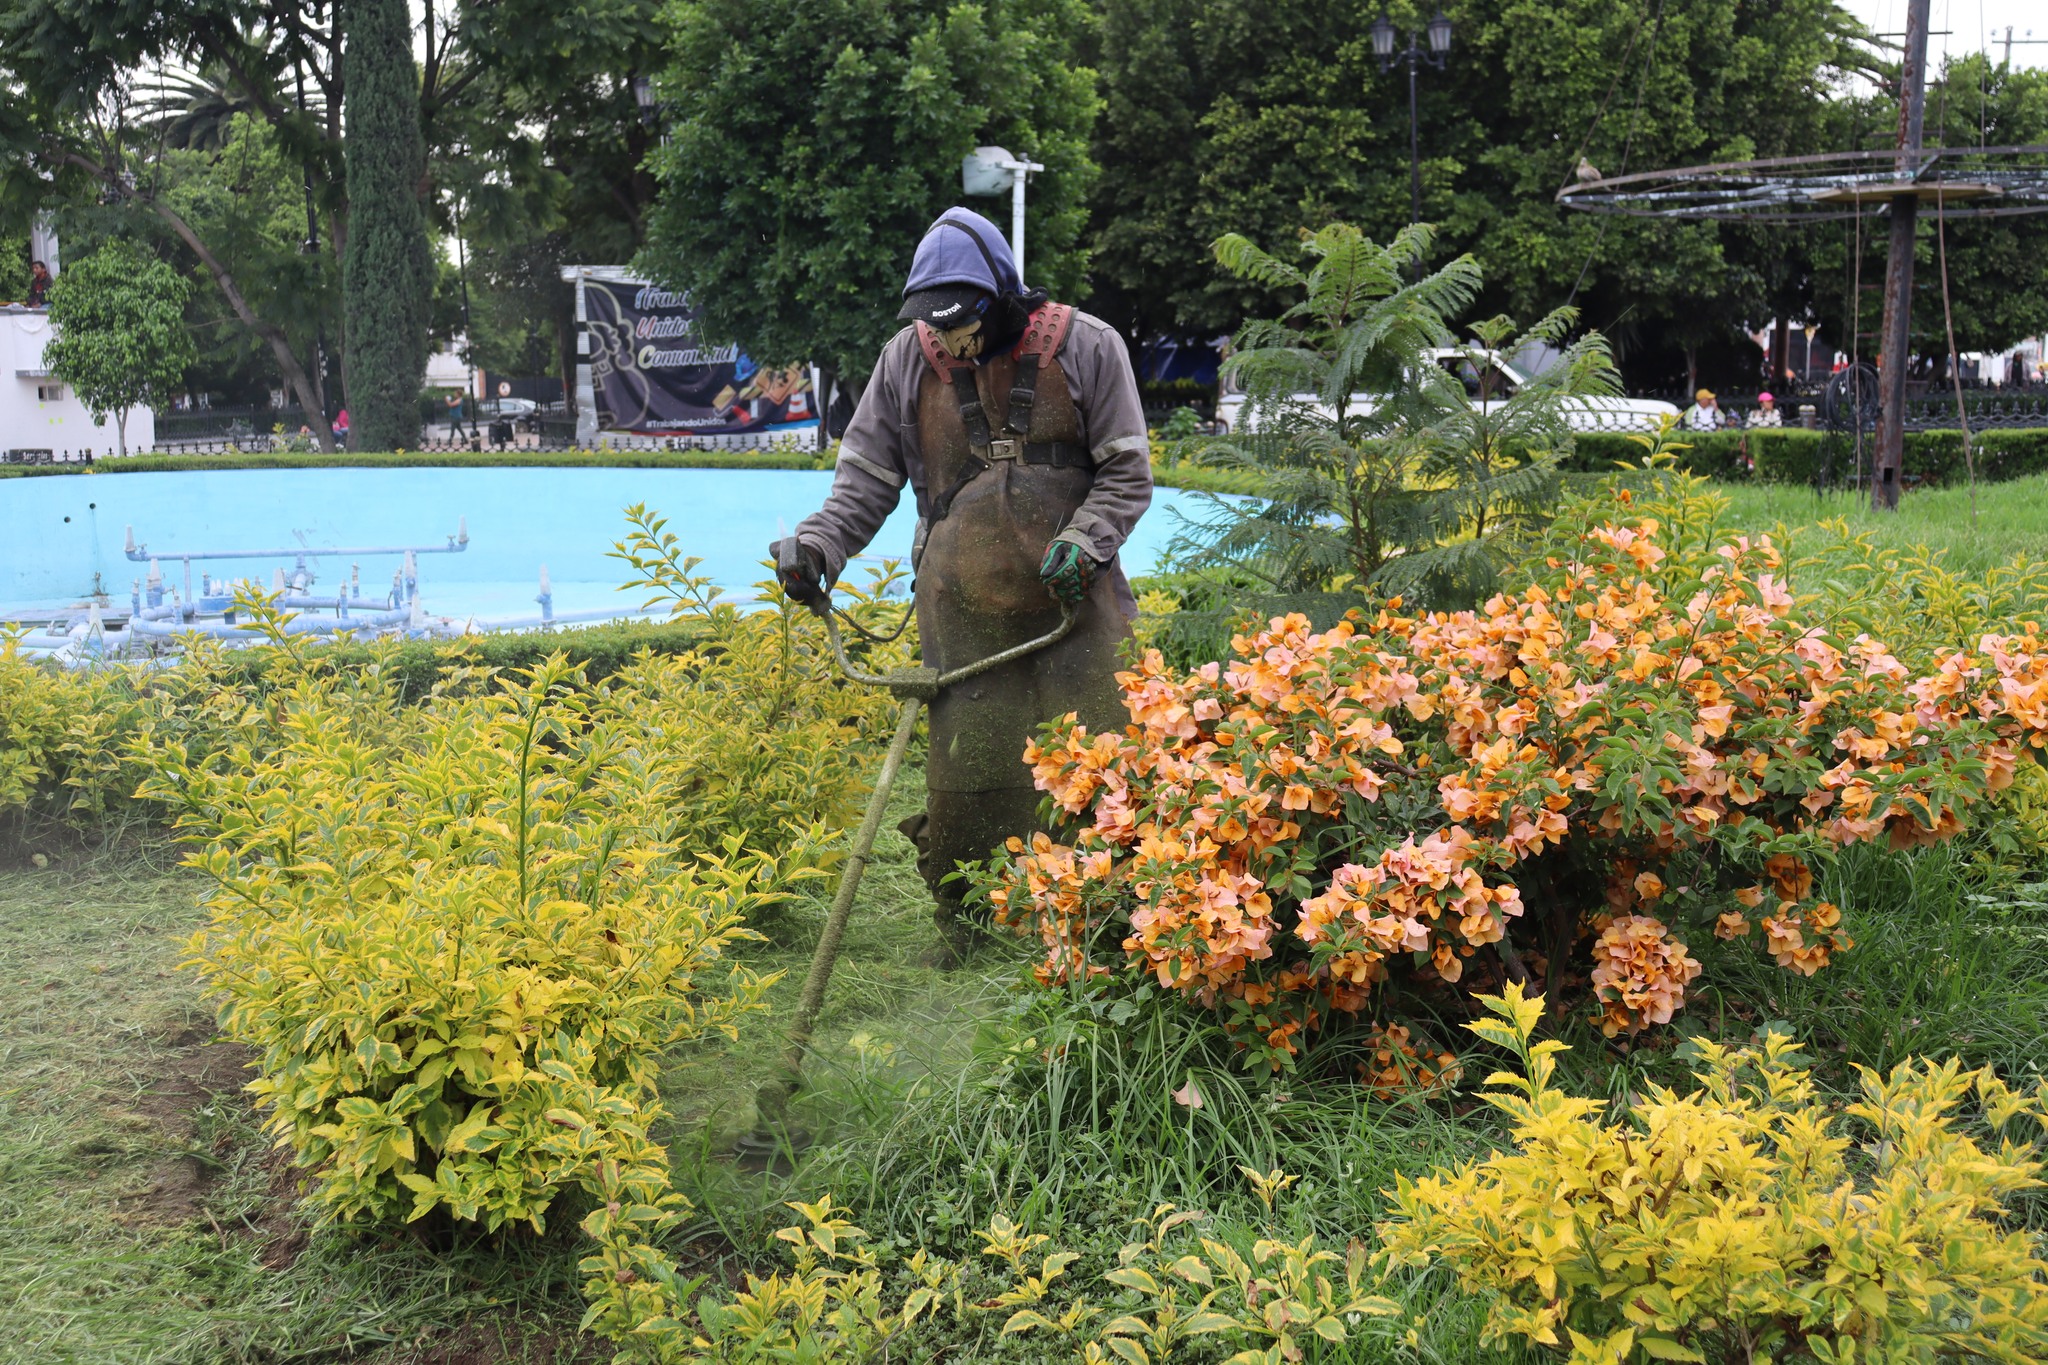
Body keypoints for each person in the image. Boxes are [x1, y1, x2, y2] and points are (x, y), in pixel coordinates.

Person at [772, 207, 1153, 960]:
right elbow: (864, 484)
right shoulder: (906, 362)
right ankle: (973, 937)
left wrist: (1087, 538)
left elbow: (1126, 473)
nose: (949, 341)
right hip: (962, 615)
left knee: (1108, 775)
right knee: (970, 785)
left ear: (1001, 295)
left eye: (962, 324)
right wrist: (818, 545)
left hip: (1077, 611)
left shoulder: (1089, 346)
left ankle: (1116, 935)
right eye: (937, 327)